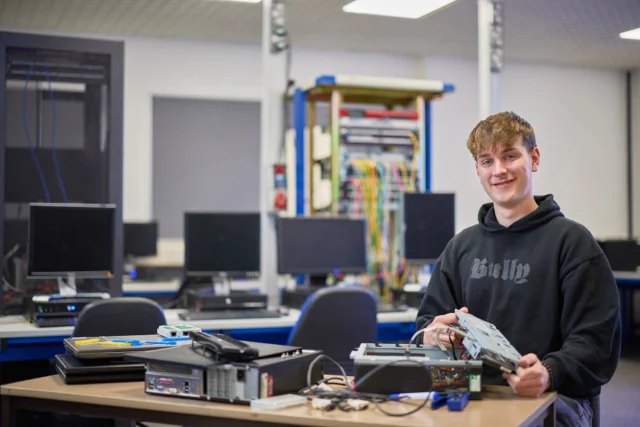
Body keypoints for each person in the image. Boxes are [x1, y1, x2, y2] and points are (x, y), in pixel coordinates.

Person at [415, 111, 621, 427]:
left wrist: (549, 372)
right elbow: (428, 321)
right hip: (472, 395)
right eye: (487, 161)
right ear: (478, 170)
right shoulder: (461, 248)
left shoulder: (573, 243)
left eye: (510, 156)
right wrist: (434, 334)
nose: (499, 171)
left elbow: (595, 343)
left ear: (533, 158)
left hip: (555, 397)